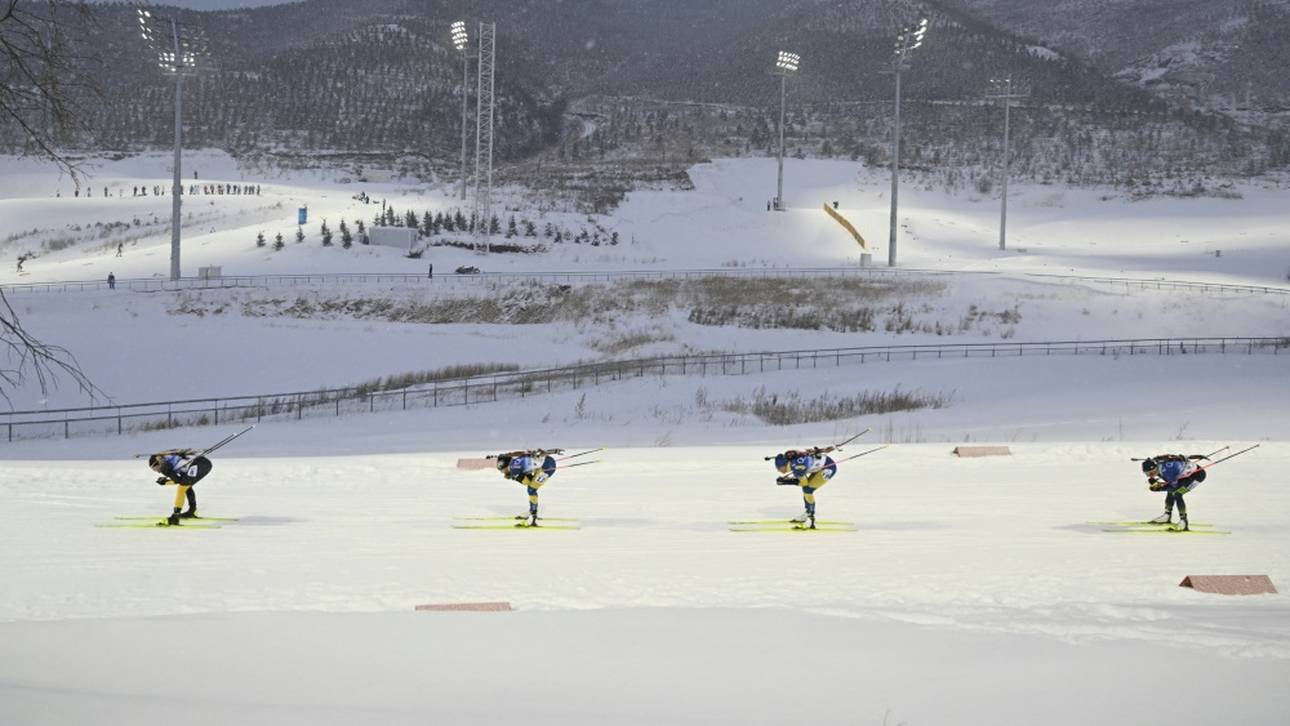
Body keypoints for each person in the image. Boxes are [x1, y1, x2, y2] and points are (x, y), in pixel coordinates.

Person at [772, 444, 841, 529]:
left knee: (808, 490)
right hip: (821, 465)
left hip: (828, 468)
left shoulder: (797, 467)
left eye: (778, 468)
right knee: (806, 490)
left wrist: (786, 481)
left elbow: (804, 483)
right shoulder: (792, 457)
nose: (778, 470)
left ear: (783, 465)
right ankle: (808, 514)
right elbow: (806, 452)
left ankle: (810, 516)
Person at [492, 449, 563, 526]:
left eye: (502, 470)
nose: (502, 472)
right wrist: (553, 451)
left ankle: (533, 518)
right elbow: (522, 453)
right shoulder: (515, 462)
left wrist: (512, 477)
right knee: (531, 487)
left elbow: (526, 481)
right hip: (545, 463)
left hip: (547, 468)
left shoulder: (513, 469)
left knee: (531, 490)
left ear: (505, 466)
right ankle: (531, 512)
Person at [1141, 454, 1209, 530]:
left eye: (1151, 473)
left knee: (1177, 493)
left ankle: (1184, 522)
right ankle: (1167, 516)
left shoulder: (1169, 471)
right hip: (1183, 474)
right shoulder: (1157, 464)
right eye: (1146, 474)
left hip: (1197, 475)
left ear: (1155, 468)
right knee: (1170, 492)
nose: (1149, 476)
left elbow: (1174, 488)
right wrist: (1159, 485)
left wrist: (1159, 488)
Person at [148, 449, 215, 525]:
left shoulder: (164, 466)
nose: (157, 471)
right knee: (186, 486)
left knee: (182, 488)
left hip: (198, 465)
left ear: (157, 463)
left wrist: (166, 482)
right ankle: (192, 511)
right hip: (202, 463)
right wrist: (167, 481)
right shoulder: (167, 458)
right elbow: (181, 480)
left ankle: (175, 517)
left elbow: (178, 481)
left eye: (155, 468)